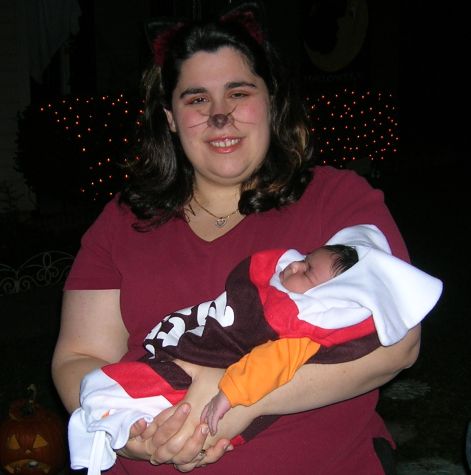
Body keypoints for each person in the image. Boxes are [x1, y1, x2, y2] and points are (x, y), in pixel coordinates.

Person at [52, 3, 426, 474]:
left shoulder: (337, 201)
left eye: (238, 93)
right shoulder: (122, 221)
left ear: (270, 101)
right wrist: (125, 432)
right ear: (170, 118)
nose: (220, 116)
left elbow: (398, 344)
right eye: (197, 99)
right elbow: (80, 356)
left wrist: (239, 398)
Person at [68, 224, 442, 474]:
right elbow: (76, 355)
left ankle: (103, 426)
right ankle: (110, 429)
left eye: (307, 272)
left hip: (203, 394)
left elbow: (269, 362)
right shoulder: (118, 223)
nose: (293, 267)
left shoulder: (303, 326)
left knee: (113, 390)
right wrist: (136, 445)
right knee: (121, 400)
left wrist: (229, 394)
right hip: (178, 388)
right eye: (304, 260)